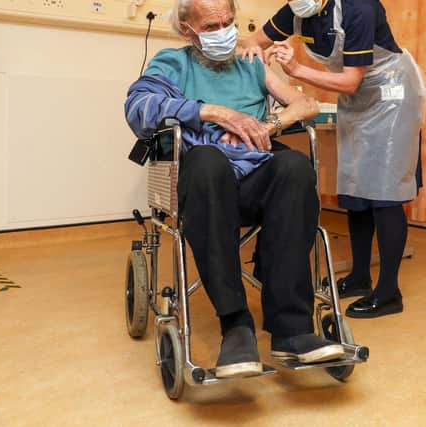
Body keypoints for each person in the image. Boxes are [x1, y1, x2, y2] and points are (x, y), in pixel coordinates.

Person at [124, 0, 345, 379]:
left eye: (229, 22)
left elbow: (307, 104)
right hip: (206, 184)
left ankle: (292, 330)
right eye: (211, 27)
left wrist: (269, 126)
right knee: (208, 161)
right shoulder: (172, 63)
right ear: (186, 30)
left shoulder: (250, 63)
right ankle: (237, 326)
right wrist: (214, 112)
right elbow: (138, 106)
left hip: (256, 177)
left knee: (293, 167)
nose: (224, 32)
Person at [243, 0, 426, 319]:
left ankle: (388, 292)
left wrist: (296, 69)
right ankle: (358, 277)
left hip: (391, 92)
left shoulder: (359, 8)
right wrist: (255, 55)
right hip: (356, 100)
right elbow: (252, 42)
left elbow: (351, 79)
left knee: (385, 193)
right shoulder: (298, 10)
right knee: (355, 187)